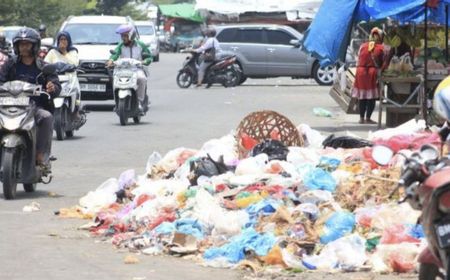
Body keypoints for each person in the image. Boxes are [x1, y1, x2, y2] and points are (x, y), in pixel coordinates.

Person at [0, 27, 61, 170]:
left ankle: (40, 154)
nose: (24, 47)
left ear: (34, 46)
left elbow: (56, 87)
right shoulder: (10, 64)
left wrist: (52, 87)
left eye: (27, 44)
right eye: (21, 44)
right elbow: (1, 80)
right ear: (16, 46)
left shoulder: (43, 66)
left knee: (46, 117)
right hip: (8, 106)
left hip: (34, 108)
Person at [106, 24, 152, 110]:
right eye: (122, 36)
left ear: (131, 35)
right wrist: (111, 60)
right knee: (114, 80)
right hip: (123, 70)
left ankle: (139, 101)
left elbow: (149, 57)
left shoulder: (140, 45)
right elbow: (115, 54)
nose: (123, 38)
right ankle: (117, 102)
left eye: (125, 36)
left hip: (137, 69)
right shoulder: (121, 45)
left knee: (142, 79)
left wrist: (145, 61)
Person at [352, 27, 385, 124]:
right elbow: (383, 63)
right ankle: (368, 118)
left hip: (360, 72)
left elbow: (358, 58)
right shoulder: (381, 48)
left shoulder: (363, 46)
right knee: (371, 98)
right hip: (371, 73)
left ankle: (361, 118)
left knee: (362, 97)